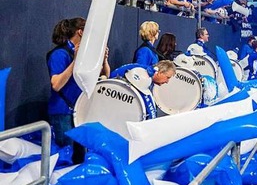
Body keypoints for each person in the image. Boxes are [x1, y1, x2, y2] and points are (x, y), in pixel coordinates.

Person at [47, 17, 110, 161]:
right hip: (62, 111)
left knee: (79, 155)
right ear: (81, 32)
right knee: (65, 156)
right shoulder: (59, 54)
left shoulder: (83, 55)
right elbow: (56, 84)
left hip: (78, 110)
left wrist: (104, 60)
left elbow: (105, 75)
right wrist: (75, 61)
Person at [109, 60, 176, 120]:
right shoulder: (137, 70)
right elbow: (112, 77)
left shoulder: (150, 81)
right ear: (160, 72)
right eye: (167, 77)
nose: (167, 81)